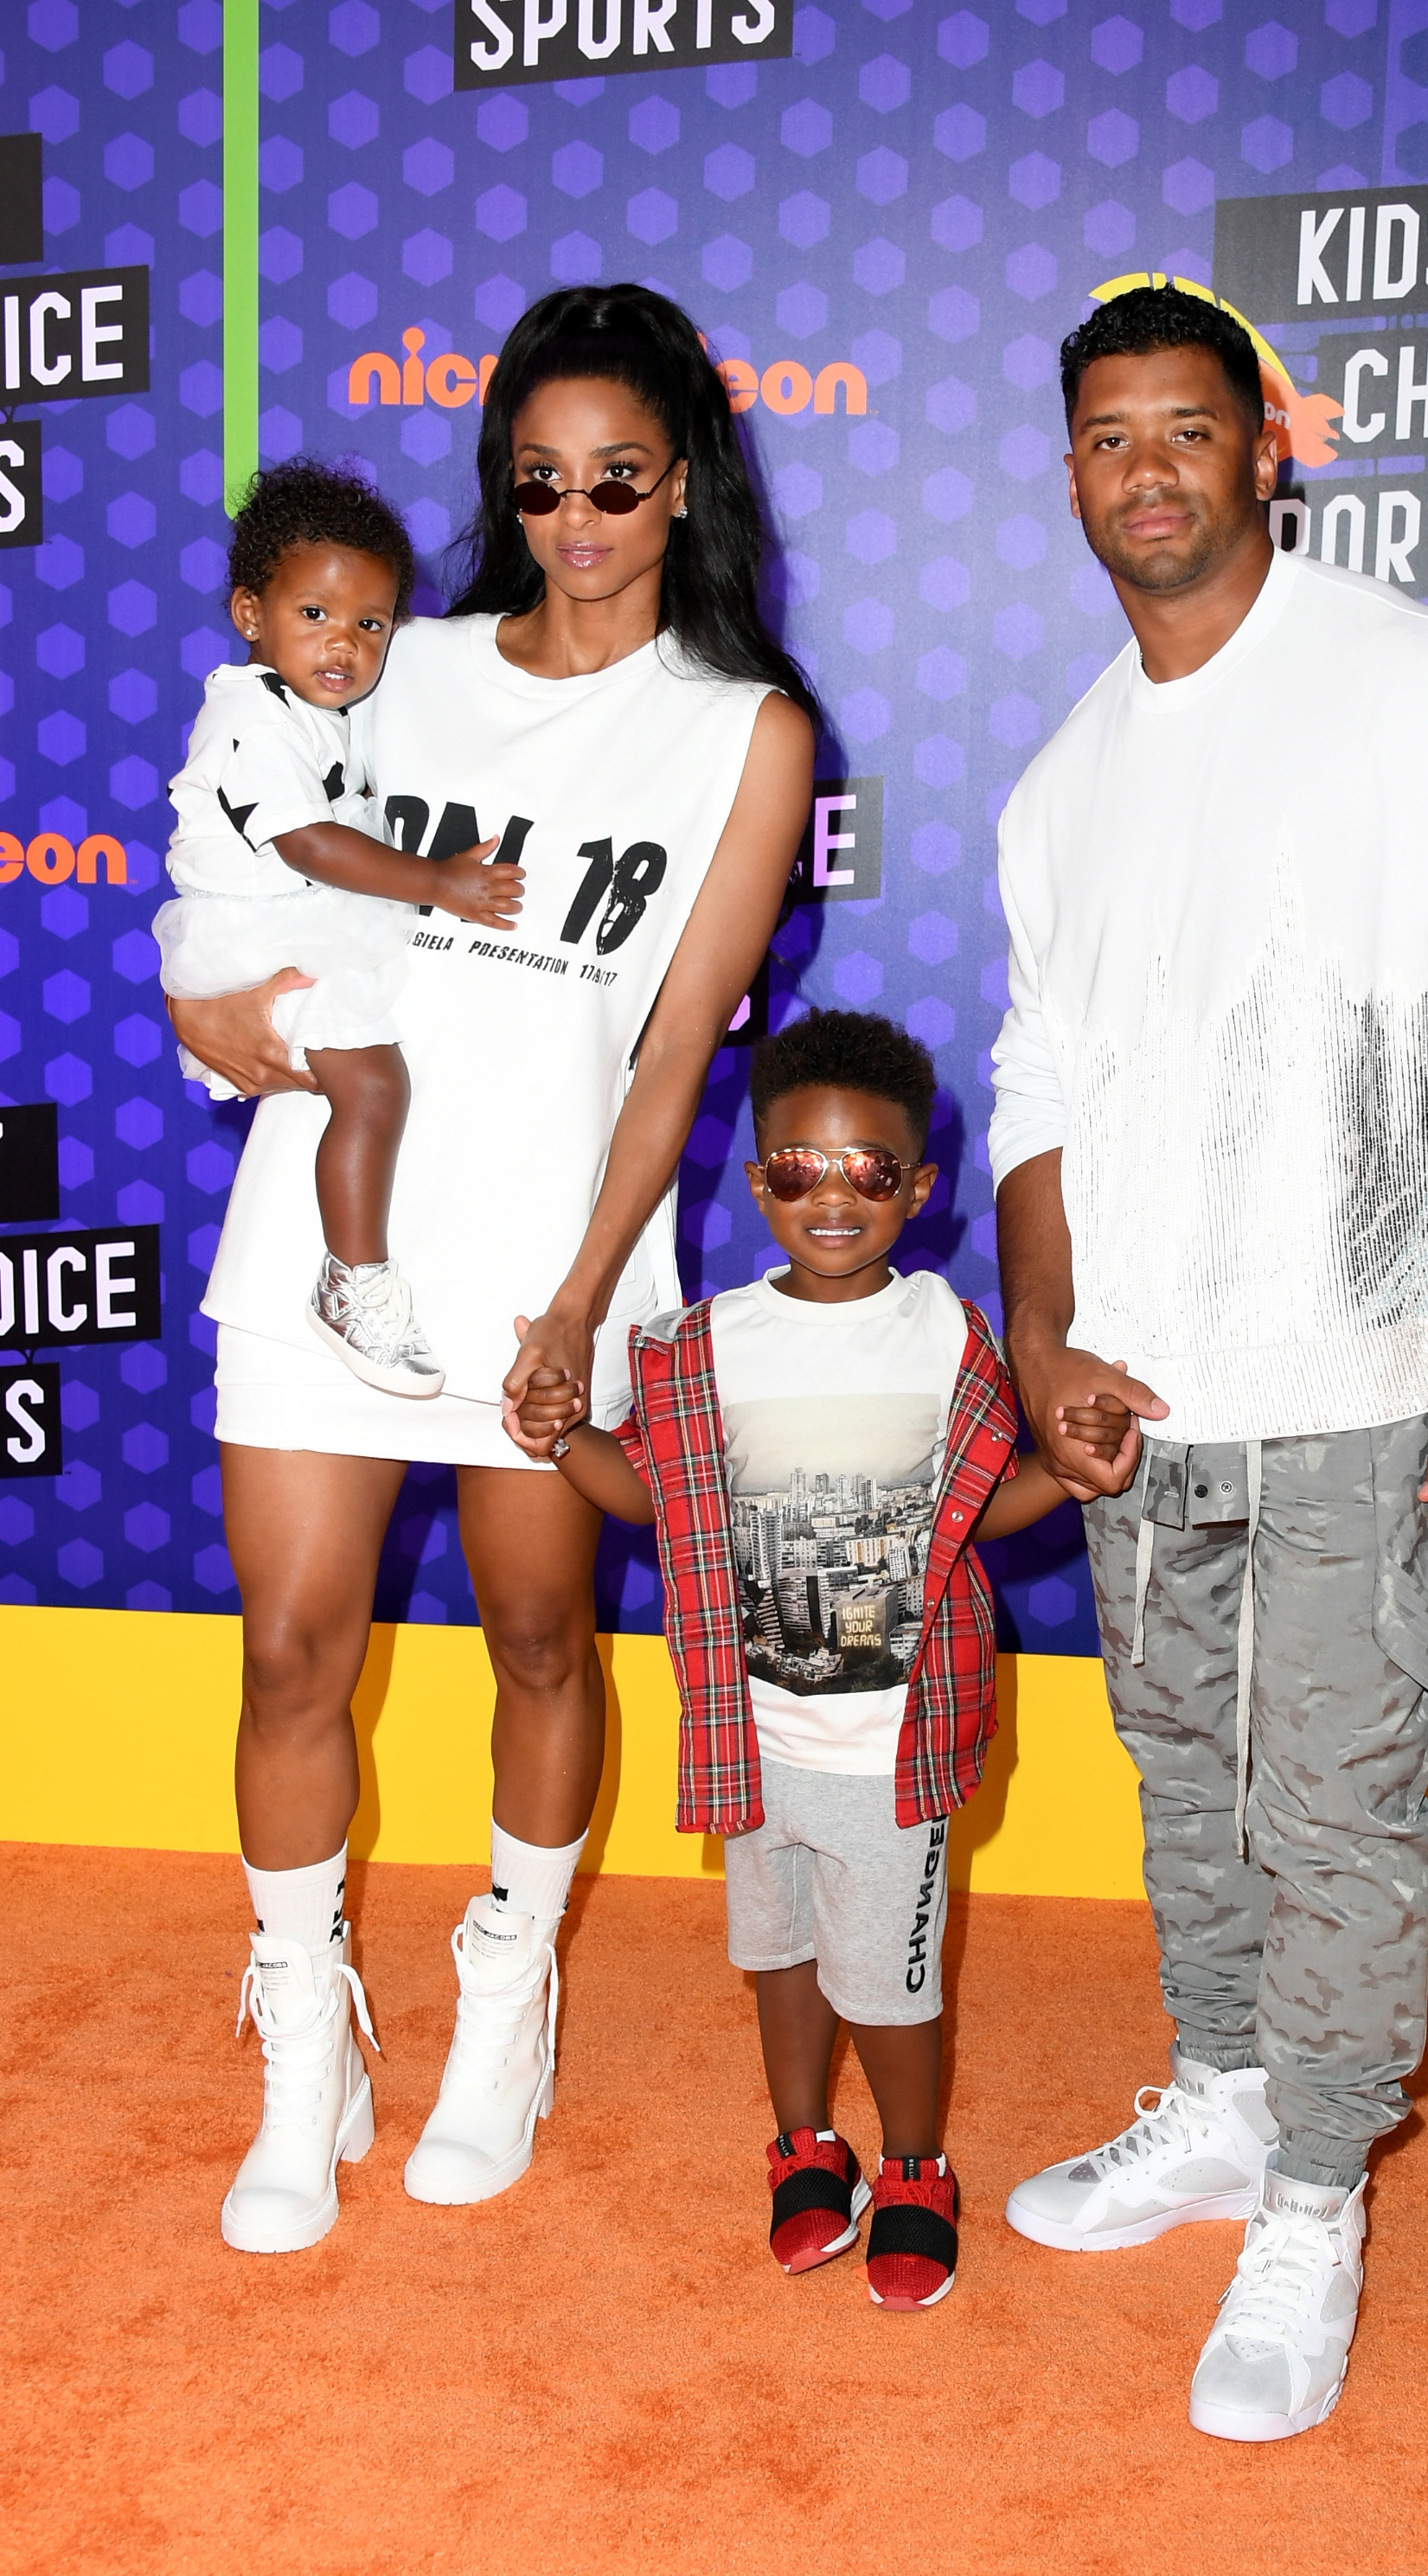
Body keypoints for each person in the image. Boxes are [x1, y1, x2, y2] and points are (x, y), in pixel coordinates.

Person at [988, 286, 1428, 2439]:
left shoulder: (1423, 686)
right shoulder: (1061, 776)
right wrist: (1042, 1330)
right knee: (1189, 1782)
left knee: (1339, 1814)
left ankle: (1316, 2197)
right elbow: (1038, 1075)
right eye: (1106, 437)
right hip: (1152, 1404)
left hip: (1372, 1379)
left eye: (1185, 428)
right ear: (1069, 471)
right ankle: (1230, 2099)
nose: (1145, 470)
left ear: (1265, 446)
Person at [165, 283, 817, 2256]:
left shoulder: (743, 731)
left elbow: (679, 1051)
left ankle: (508, 1994)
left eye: (617, 478)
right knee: (292, 1651)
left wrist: (586, 1294)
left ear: (683, 480)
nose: (577, 518)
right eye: (538, 483)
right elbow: (234, 852)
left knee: (540, 1640)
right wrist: (206, 1011)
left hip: (552, 1257)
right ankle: (307, 2043)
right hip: (332, 1235)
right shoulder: (393, 659)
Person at [517, 1011, 1132, 2309]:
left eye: (869, 1170)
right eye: (800, 1169)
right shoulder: (698, 1343)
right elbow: (655, 1499)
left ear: (920, 1186)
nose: (833, 1197)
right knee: (779, 1960)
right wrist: (563, 1439)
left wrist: (1075, 1473)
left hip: (892, 1750)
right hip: (751, 1738)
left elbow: (981, 1507)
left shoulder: (951, 1334)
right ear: (759, 1182)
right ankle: (805, 2146)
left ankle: (914, 2164)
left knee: (891, 1988)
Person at [156, 458, 525, 1397]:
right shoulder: (247, 715)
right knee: (372, 1087)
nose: (344, 643)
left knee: (383, 1084)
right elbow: (310, 844)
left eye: (370, 624)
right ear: (250, 613)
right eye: (314, 613)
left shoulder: (322, 705)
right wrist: (439, 882)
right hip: (260, 937)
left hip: (305, 925)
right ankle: (353, 1281)